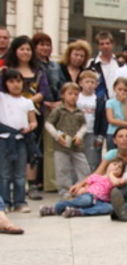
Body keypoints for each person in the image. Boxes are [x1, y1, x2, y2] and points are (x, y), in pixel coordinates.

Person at [4, 35, 51, 202]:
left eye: (28, 49)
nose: (25, 52)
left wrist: (25, 102)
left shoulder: (38, 71)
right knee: (9, 150)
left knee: (31, 150)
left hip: (33, 115)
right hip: (8, 118)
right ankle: (8, 186)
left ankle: (31, 185)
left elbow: (43, 92)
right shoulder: (7, 69)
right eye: (22, 49)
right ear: (15, 50)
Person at [0, 68, 38, 213]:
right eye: (11, 81)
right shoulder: (2, 98)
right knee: (4, 173)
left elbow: (33, 121)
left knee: (20, 174)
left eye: (18, 81)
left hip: (21, 140)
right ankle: (5, 202)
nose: (15, 85)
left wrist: (30, 127)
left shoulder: (27, 102)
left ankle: (20, 202)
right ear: (5, 83)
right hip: (4, 140)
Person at [44, 82, 88, 198]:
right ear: (63, 95)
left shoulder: (79, 111)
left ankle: (83, 188)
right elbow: (48, 124)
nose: (73, 96)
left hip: (77, 145)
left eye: (76, 94)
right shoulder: (58, 110)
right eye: (70, 94)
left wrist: (79, 135)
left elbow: (84, 125)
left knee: (83, 167)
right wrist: (57, 136)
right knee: (62, 168)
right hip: (61, 145)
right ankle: (65, 191)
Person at [39, 158, 124, 217]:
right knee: (86, 200)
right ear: (108, 165)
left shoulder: (117, 179)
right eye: (114, 164)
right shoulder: (97, 176)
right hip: (89, 196)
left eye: (119, 167)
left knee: (109, 208)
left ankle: (78, 212)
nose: (116, 167)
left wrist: (111, 174)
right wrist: (83, 189)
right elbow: (87, 185)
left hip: (100, 201)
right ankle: (56, 208)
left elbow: (115, 183)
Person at [75, 70, 106, 171]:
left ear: (97, 84)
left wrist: (100, 136)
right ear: (80, 83)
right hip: (77, 132)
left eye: (92, 82)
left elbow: (102, 119)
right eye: (87, 82)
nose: (90, 85)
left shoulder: (99, 100)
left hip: (92, 132)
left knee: (92, 160)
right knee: (76, 158)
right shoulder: (76, 98)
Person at [86, 31, 120, 99]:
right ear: (98, 46)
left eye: (108, 43)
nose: (105, 46)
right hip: (97, 103)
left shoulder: (120, 64)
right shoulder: (91, 64)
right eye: (102, 44)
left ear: (112, 44)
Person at [105, 77, 127, 149]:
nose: (122, 92)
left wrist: (125, 103)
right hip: (112, 132)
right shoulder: (110, 102)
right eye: (120, 89)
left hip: (126, 133)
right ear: (114, 89)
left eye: (125, 90)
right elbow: (111, 120)